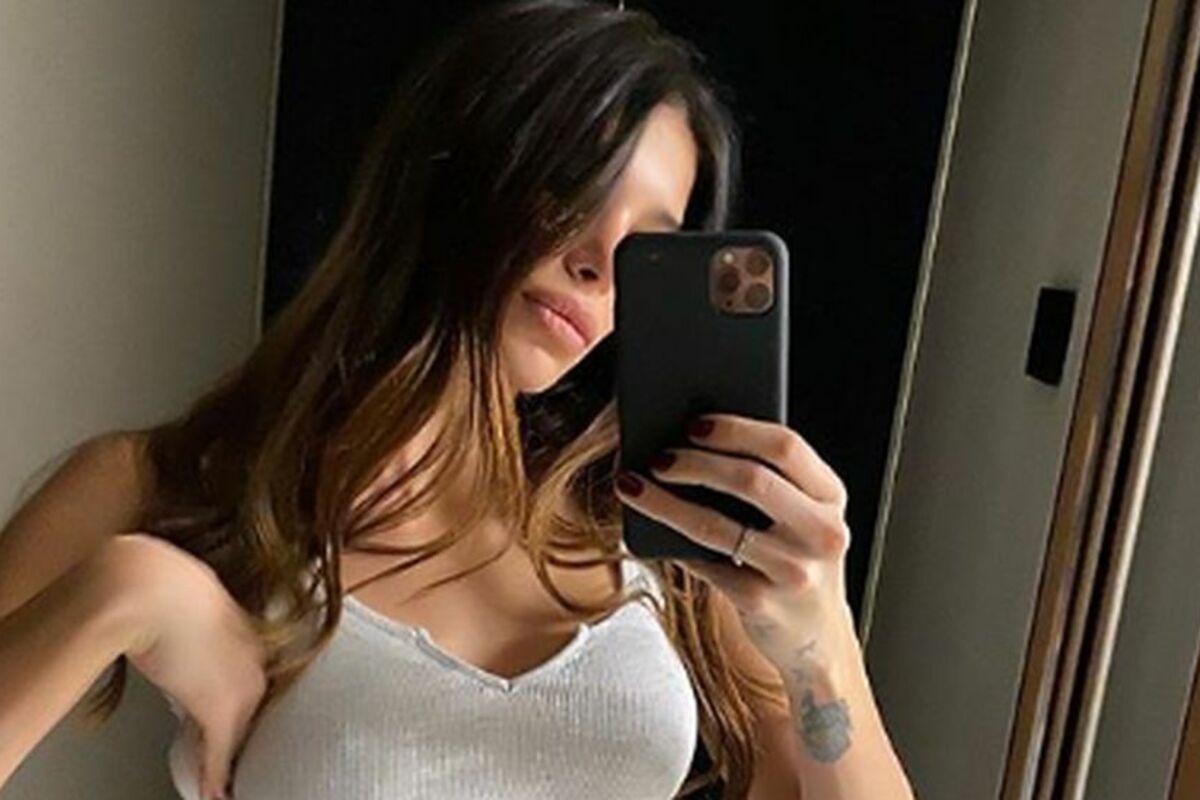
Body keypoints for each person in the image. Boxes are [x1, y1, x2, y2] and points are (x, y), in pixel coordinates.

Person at [0, 1, 914, 798]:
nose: (601, 266)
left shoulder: (661, 539)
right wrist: (128, 591)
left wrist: (820, 641)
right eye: (571, 193)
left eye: (647, 243)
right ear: (455, 171)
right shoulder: (165, 484)